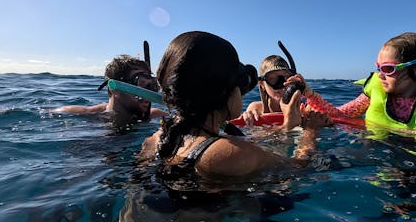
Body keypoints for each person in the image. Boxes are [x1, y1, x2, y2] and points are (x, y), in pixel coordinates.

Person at [138, 31, 332, 182]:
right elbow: (299, 169)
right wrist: (310, 131)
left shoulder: (157, 139)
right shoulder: (234, 153)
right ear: (226, 92)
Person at [289, 32, 416, 134]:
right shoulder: (375, 94)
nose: (379, 75)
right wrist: (309, 94)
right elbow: (341, 115)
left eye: (388, 69)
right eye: (378, 68)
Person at [53, 54, 168, 125]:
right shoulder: (84, 114)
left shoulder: (157, 116)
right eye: (141, 83)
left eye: (152, 85)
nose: (148, 93)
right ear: (114, 88)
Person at [242, 55, 295, 123]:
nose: (281, 84)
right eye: (272, 78)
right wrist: (248, 118)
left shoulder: (299, 107)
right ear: (262, 84)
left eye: (286, 77)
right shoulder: (256, 108)